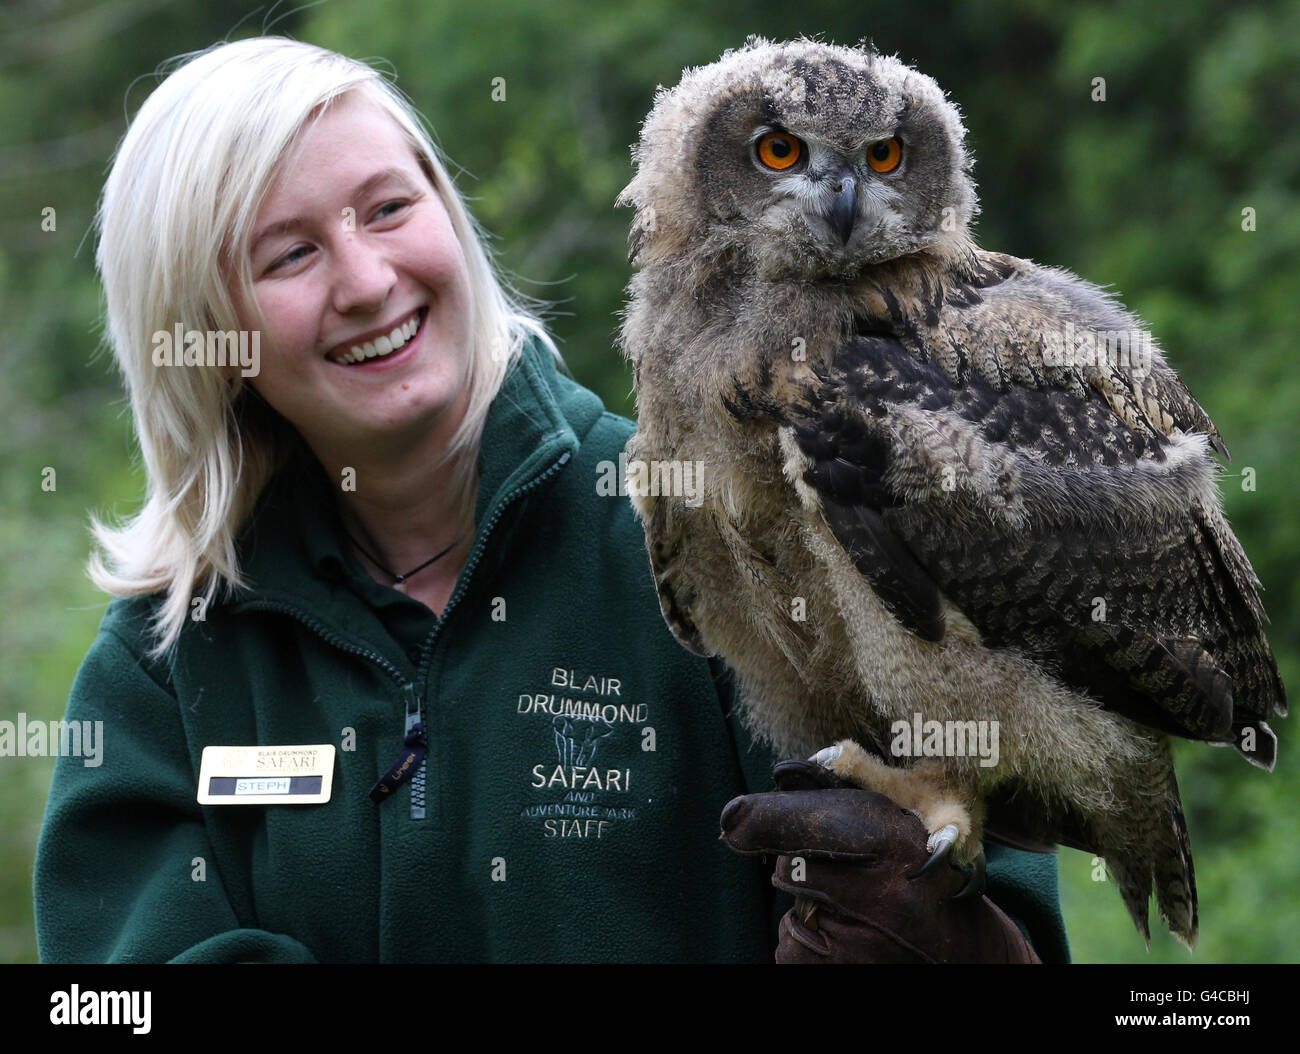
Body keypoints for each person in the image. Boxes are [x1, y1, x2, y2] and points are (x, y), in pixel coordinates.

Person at [33, 36, 1069, 963]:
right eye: (290, 253)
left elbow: (1003, 914)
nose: (366, 277)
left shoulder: (728, 526)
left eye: (391, 208)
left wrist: (956, 937)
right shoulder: (167, 671)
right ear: (207, 333)